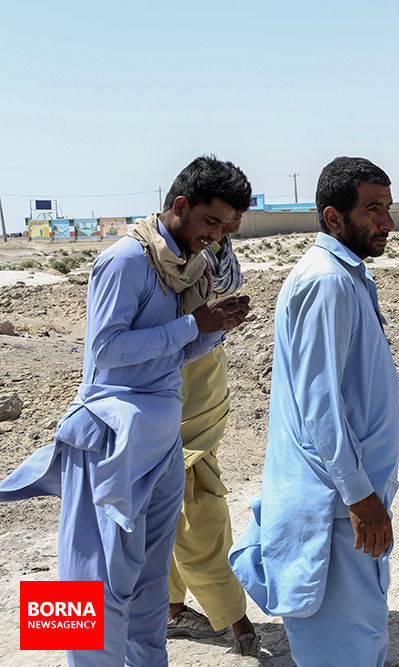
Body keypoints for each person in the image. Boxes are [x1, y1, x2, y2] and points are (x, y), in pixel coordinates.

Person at [0, 155, 252, 666]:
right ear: (180, 205)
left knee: (149, 587)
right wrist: (193, 325)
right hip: (110, 440)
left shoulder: (190, 269)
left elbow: (171, 356)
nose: (216, 236)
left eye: (226, 228)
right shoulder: (126, 260)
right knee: (88, 585)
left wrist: (215, 329)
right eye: (210, 221)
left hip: (160, 441)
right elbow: (107, 350)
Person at [230, 157, 399, 666]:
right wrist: (360, 495)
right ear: (333, 217)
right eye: (374, 209)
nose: (388, 222)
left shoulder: (347, 276)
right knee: (343, 648)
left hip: (347, 502)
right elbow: (319, 406)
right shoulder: (327, 281)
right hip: (337, 507)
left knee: (360, 637)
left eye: (388, 208)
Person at [166, 208, 259, 657]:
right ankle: (235, 619)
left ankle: (168, 609)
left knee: (162, 509)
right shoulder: (150, 260)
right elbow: (110, 345)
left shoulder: (211, 251)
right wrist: (197, 325)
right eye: (222, 217)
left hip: (195, 389)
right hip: (173, 396)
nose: (231, 226)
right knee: (196, 505)